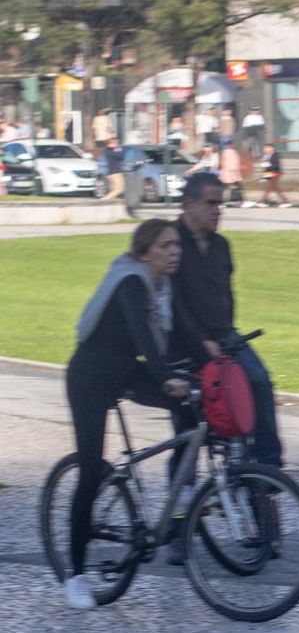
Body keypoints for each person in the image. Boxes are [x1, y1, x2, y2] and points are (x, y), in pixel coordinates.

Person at [61, 218, 198, 607]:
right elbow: (146, 341)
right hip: (88, 379)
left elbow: (175, 337)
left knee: (191, 403)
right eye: (164, 247)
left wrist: (203, 367)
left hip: (123, 373)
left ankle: (186, 490)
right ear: (143, 254)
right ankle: (75, 576)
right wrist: (166, 377)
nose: (174, 252)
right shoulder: (131, 283)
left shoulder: (162, 287)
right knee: (90, 472)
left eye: (176, 245)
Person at [173, 171, 282, 469]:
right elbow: (173, 304)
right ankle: (183, 505)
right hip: (184, 344)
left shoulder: (221, 245)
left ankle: (266, 465)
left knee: (258, 379)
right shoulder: (170, 242)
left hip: (224, 336)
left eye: (220, 204)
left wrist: (224, 333)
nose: (217, 210)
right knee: (189, 427)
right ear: (188, 203)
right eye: (210, 203)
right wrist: (199, 341)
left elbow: (227, 294)